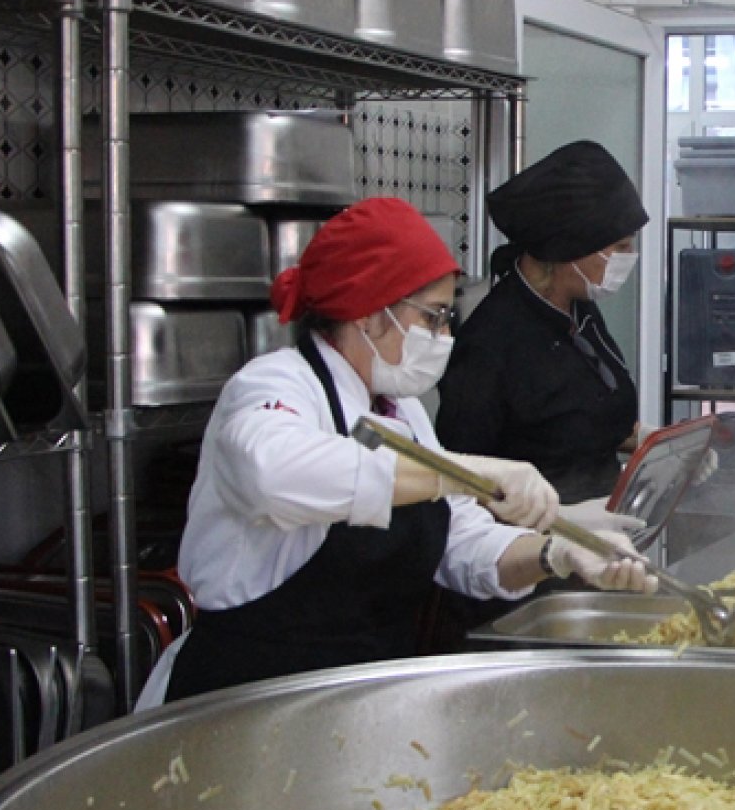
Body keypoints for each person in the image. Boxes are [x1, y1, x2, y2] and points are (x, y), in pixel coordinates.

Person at [153, 197, 655, 705]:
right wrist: (464, 472)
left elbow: (463, 544)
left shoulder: (402, 411)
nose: (444, 336)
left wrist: (556, 552)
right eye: (433, 318)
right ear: (369, 315)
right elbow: (274, 475)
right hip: (246, 696)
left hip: (359, 695)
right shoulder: (275, 382)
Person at [435, 141, 648, 506]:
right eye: (621, 247)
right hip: (534, 546)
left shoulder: (580, 312)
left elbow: (585, 423)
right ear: (570, 247)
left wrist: (657, 445)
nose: (629, 259)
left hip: (610, 529)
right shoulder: (490, 344)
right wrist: (557, 527)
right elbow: (462, 482)